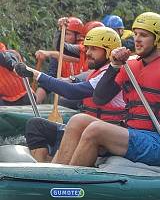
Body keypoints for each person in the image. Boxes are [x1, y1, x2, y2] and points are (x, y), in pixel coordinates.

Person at [52, 12, 160, 173]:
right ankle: (54, 174)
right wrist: (113, 67)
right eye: (136, 33)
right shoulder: (130, 66)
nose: (137, 39)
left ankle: (70, 181)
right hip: (132, 133)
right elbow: (100, 98)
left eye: (143, 35)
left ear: (159, 40)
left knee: (96, 130)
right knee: (78, 121)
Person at [15, 27, 125, 162]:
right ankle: (42, 166)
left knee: (74, 125)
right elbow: (73, 83)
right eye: (87, 48)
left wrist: (36, 74)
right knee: (36, 125)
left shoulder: (112, 74)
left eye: (94, 49)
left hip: (101, 132)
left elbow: (72, 92)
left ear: (109, 52)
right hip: (83, 128)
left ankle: (54, 169)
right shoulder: (97, 71)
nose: (88, 53)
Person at [0, 42, 29, 106]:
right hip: (4, 100)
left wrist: (11, 64)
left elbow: (10, 60)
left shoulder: (10, 54)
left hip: (24, 97)